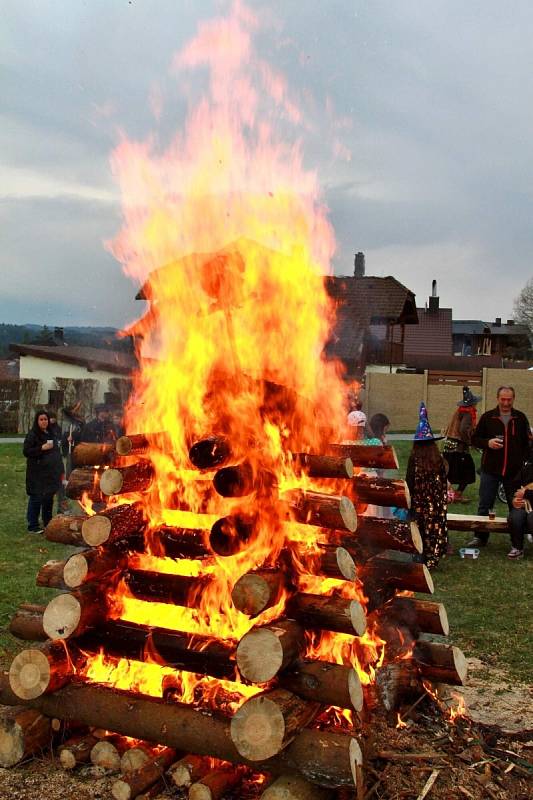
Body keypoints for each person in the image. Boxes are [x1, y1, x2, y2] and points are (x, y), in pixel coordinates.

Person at [469, 386, 530, 547]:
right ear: (497, 399)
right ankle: (480, 537)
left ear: (513, 399)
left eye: (509, 399)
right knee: (485, 504)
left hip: (514, 472)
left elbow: (528, 444)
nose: (506, 403)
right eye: (503, 399)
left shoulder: (520, 418)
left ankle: (516, 540)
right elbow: (474, 439)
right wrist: (487, 442)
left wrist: (525, 465)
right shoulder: (488, 417)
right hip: (490, 469)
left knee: (515, 505)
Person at [405, 402, 448, 569]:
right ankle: (433, 557)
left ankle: (419, 556)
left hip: (418, 507)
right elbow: (442, 485)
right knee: (433, 531)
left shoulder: (414, 460)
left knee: (418, 530)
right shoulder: (438, 460)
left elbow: (409, 482)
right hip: (436, 508)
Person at [23, 409, 63, 533]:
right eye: (41, 419)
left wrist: (61, 470)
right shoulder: (32, 435)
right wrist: (41, 448)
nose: (44, 421)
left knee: (48, 498)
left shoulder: (51, 434)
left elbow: (57, 453)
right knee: (36, 498)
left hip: (50, 472)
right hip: (37, 473)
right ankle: (33, 525)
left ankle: (48, 523)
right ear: (37, 421)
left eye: (45, 419)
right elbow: (27, 451)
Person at [442, 386, 480, 503]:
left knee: (449, 471)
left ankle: (447, 494)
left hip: (450, 445)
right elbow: (463, 429)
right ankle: (456, 494)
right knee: (468, 471)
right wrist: (469, 442)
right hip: (459, 448)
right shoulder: (468, 413)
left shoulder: (459, 411)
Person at [507, 442, 533, 559]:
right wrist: (513, 499)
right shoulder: (528, 468)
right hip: (523, 505)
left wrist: (526, 493)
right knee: (515, 517)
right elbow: (513, 487)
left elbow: (524, 492)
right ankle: (517, 547)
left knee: (531, 518)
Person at [61, 402, 85, 478]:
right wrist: (67, 438)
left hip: (79, 448)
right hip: (69, 449)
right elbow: (64, 436)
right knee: (70, 468)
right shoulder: (68, 421)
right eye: (76, 410)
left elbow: (82, 433)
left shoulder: (81, 422)